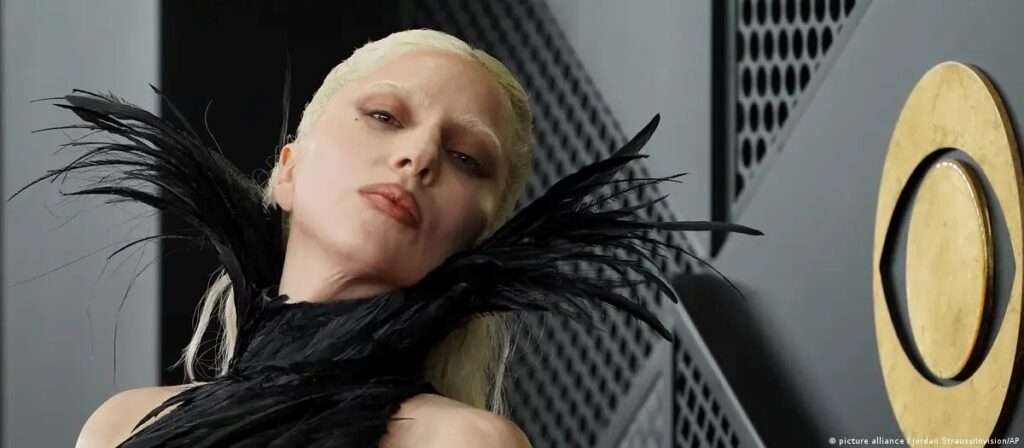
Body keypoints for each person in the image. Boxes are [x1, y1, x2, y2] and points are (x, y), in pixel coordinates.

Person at [15, 29, 760, 447]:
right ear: (288, 170)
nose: (420, 155)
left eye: (466, 159)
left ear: (474, 240)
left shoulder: (462, 446)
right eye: (383, 117)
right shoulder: (120, 426)